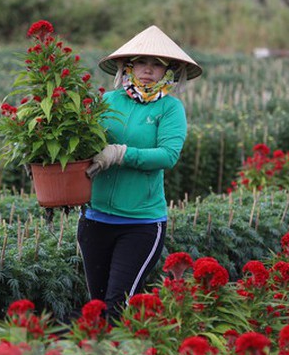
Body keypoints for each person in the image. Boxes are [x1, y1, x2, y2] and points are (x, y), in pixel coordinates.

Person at [77, 25, 202, 320]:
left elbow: (168, 155)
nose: (148, 70)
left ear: (166, 71)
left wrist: (120, 154)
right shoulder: (108, 102)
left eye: (156, 65)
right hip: (95, 218)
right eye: (142, 63)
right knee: (97, 305)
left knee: (119, 303)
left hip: (140, 222)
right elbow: (83, 142)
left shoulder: (170, 109)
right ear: (128, 67)